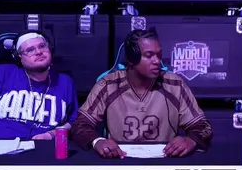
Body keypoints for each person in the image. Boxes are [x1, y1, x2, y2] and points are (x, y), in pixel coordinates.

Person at [73, 29, 212, 159]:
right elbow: (80, 124)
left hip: (165, 163)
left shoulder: (175, 84)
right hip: (119, 161)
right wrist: (97, 141)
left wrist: (191, 140)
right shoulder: (109, 84)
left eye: (159, 55)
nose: (157, 61)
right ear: (131, 58)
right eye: (149, 55)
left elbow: (203, 126)